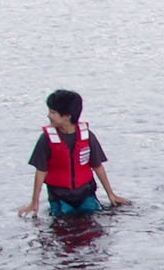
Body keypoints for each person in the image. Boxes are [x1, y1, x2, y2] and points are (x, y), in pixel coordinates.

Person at [20, 89, 127, 217]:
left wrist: (111, 194)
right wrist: (34, 201)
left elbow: (97, 166)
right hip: (59, 197)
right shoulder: (46, 140)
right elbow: (41, 171)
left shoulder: (87, 136)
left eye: (52, 112)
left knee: (91, 228)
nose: (48, 115)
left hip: (86, 195)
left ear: (67, 116)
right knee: (62, 228)